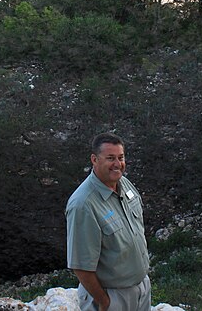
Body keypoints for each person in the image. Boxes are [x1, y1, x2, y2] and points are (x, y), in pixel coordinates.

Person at [65, 132, 151, 311]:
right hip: (112, 297)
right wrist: (103, 301)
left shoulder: (124, 184)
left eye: (121, 157)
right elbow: (81, 266)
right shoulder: (83, 205)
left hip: (141, 290)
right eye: (110, 158)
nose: (117, 164)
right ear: (94, 159)